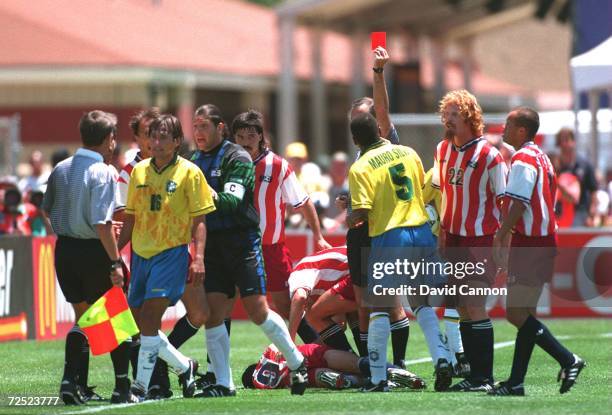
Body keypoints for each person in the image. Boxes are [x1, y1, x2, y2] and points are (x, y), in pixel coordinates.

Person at [190, 104, 308, 398]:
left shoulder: (237, 156)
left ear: (220, 129)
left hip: (242, 242)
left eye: (204, 126)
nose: (198, 133)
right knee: (215, 313)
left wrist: (195, 194)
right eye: (195, 126)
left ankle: (296, 362)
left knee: (258, 311)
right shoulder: (194, 160)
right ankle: (223, 383)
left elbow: (231, 201)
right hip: (214, 244)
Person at [117, 114, 216, 400]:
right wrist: (113, 254)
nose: (156, 142)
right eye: (152, 136)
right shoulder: (139, 172)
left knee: (150, 317)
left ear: (176, 142)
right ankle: (185, 367)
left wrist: (198, 258)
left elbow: (199, 220)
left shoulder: (190, 172)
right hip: (140, 256)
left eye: (163, 137)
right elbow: (130, 219)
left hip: (171, 254)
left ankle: (140, 387)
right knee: (138, 324)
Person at [490, 107, 585, 396]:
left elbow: (518, 203)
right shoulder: (541, 156)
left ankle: (569, 359)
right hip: (544, 241)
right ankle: (516, 382)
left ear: (521, 130)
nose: (503, 129)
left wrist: (501, 233)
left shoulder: (522, 158)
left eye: (508, 124)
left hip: (530, 244)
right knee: (526, 314)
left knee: (515, 314)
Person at [42, 110, 134, 404]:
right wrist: (115, 261)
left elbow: (47, 209)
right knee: (115, 319)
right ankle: (122, 388)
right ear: (109, 139)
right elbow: (102, 224)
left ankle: (72, 382)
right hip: (94, 252)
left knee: (84, 318)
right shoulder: (104, 171)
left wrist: (68, 228)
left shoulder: (61, 168)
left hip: (66, 250)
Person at [347, 112, 433, 392]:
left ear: (355, 139)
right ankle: (444, 358)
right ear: (379, 130)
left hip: (390, 234)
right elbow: (420, 187)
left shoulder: (361, 166)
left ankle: (377, 377)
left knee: (378, 308)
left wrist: (349, 215)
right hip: (420, 229)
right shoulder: (407, 151)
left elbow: (361, 212)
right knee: (422, 301)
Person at [433, 90, 507, 392]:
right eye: (446, 113)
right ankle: (474, 375)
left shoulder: (490, 155)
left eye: (454, 113)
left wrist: (503, 245)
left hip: (480, 241)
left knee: (475, 306)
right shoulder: (442, 149)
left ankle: (484, 378)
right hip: (452, 239)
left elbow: (504, 201)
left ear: (469, 116)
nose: (447, 119)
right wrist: (440, 234)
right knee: (462, 306)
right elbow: (441, 194)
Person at [342, 47, 410, 372]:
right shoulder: (360, 154)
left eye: (364, 117)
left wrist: (378, 72)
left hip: (383, 232)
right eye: (355, 118)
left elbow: (382, 108)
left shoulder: (389, 141)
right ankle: (371, 364)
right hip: (358, 234)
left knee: (389, 302)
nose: (360, 122)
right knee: (363, 303)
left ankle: (398, 364)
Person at [233, 109, 331, 323]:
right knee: (222, 302)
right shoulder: (228, 162)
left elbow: (304, 202)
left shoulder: (277, 165)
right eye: (240, 137)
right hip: (236, 246)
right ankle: (217, 359)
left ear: (260, 136)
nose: (245, 142)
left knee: (287, 307)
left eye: (251, 136)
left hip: (271, 248)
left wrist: (318, 236)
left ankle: (318, 350)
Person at [242, 342, 426, 391]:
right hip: (309, 352)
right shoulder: (269, 353)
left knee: (322, 377)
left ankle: (347, 381)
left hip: (297, 376)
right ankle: (393, 371)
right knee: (357, 363)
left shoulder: (264, 380)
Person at [286, 246, 354, 349]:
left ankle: (359, 363)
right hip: (373, 259)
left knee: (314, 314)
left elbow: (299, 297)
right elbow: (341, 323)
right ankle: (368, 361)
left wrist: (289, 342)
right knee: (363, 312)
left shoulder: (299, 273)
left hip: (363, 264)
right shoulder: (323, 284)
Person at [556, 128, 597, 226]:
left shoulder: (585, 164)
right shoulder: (554, 165)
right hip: (558, 214)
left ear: (573, 141)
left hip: (580, 213)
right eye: (561, 140)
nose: (564, 144)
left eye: (567, 139)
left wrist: (591, 215)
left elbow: (593, 191)